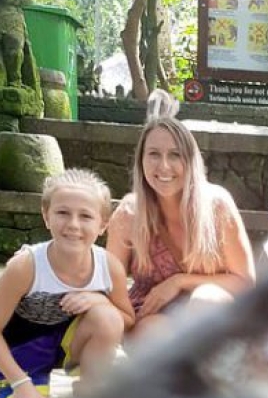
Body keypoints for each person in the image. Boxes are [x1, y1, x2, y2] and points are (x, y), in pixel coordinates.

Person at [0, 168, 134, 398]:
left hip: (68, 344)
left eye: (85, 216)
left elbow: (126, 319)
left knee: (107, 317)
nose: (73, 224)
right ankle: (29, 388)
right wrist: (20, 383)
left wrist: (100, 300)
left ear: (103, 224)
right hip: (22, 352)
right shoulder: (25, 266)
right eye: (63, 213)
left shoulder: (109, 267)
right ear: (46, 215)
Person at [106, 90, 255, 335]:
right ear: (141, 161)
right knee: (155, 334)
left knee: (206, 300)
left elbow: (245, 283)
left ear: (190, 161)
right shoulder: (128, 214)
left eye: (175, 155)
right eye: (154, 154)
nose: (164, 166)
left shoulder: (217, 205)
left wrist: (179, 282)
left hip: (211, 312)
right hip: (153, 316)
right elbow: (111, 285)